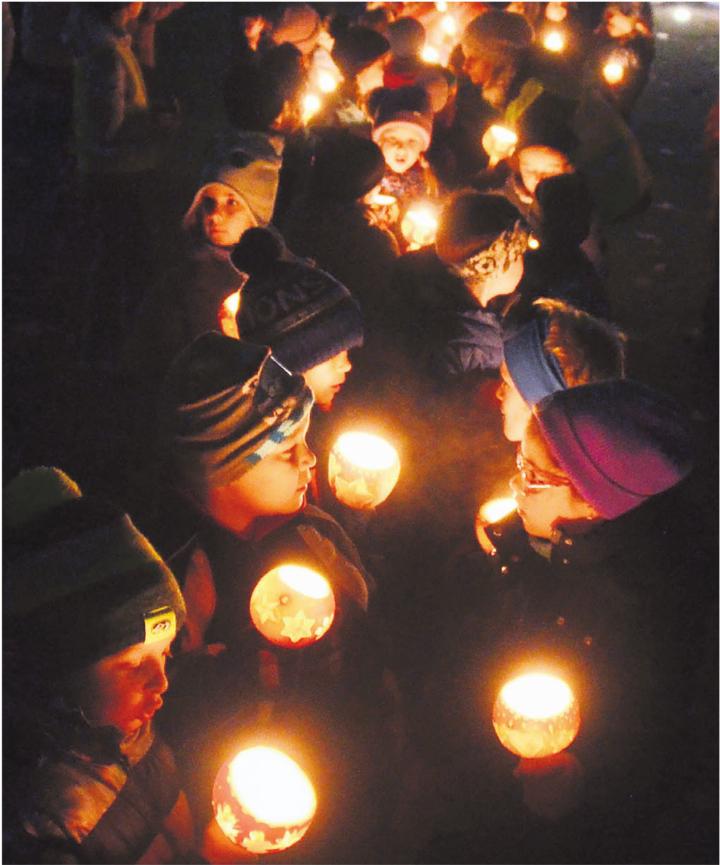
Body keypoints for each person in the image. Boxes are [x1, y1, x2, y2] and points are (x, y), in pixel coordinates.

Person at [419, 378, 697, 863]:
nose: (515, 485)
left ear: (592, 498)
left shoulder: (633, 615)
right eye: (519, 464)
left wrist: (581, 786)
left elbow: (651, 746)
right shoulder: (536, 546)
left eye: (533, 475)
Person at [156, 333, 407, 863]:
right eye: (288, 450)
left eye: (307, 441)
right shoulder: (184, 581)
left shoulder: (312, 532)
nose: (311, 459)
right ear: (224, 470)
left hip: (354, 769)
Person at [3, 466, 194, 864]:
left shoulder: (130, 731)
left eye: (165, 652)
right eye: (134, 663)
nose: (161, 681)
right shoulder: (40, 821)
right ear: (57, 669)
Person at [122, 131, 283, 391]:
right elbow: (147, 364)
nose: (215, 215)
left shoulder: (282, 277)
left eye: (232, 202)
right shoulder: (180, 283)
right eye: (209, 202)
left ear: (259, 213)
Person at [367, 84, 441, 252]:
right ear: (379, 142)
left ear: (421, 147)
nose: (401, 147)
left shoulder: (428, 183)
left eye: (411, 141)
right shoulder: (368, 179)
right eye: (393, 139)